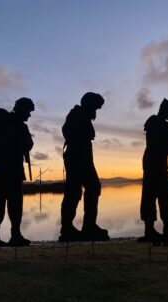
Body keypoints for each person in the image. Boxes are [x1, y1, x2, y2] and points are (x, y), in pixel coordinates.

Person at [59, 92, 109, 242]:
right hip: (77, 158)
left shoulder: (82, 116)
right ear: (89, 104)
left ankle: (88, 226)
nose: (96, 111)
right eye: (96, 107)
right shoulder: (76, 116)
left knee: (90, 188)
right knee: (75, 192)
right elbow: (69, 134)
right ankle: (69, 228)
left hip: (83, 158)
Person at [0, 97, 35, 247]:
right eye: (28, 111)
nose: (29, 115)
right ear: (22, 109)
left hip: (0, 170)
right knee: (14, 206)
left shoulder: (3, 123)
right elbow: (28, 145)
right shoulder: (20, 126)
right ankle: (15, 235)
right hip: (12, 170)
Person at [139, 98, 168, 243]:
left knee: (160, 197)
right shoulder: (161, 124)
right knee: (161, 196)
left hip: (154, 163)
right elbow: (167, 143)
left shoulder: (154, 123)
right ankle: (155, 230)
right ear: (165, 110)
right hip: (156, 164)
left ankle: (162, 229)